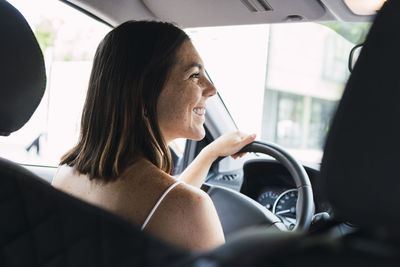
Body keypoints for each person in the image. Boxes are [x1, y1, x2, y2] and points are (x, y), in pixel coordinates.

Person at [52, 20, 256, 251]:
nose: (211, 89)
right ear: (143, 93)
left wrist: (210, 154)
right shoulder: (189, 207)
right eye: (194, 75)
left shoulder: (66, 173)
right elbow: (170, 202)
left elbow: (161, 202)